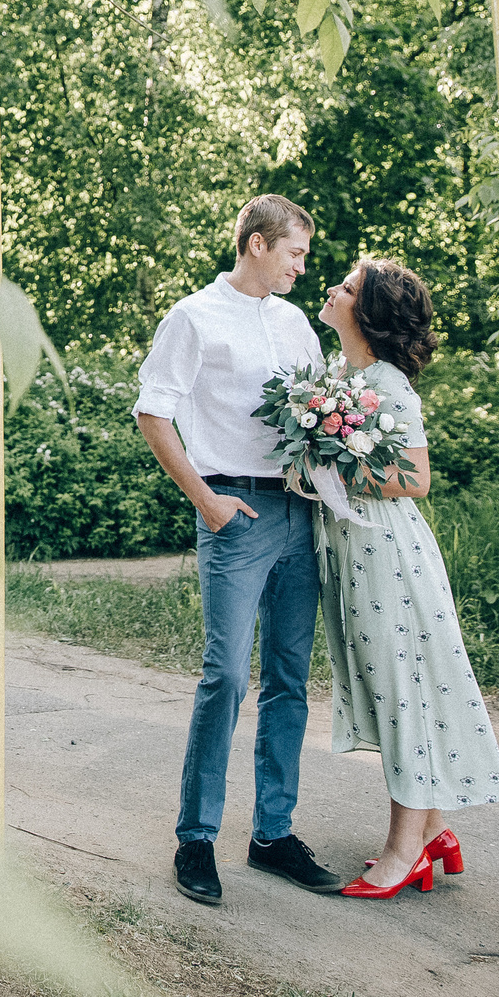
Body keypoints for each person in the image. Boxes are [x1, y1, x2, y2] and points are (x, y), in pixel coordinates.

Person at [136, 195, 345, 905]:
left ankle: (272, 835)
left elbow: (320, 414)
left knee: (289, 678)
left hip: (300, 511)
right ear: (258, 243)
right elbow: (153, 412)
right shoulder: (193, 317)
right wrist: (207, 500)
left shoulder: (294, 324)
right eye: (295, 252)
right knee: (225, 675)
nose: (302, 266)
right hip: (234, 513)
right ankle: (195, 838)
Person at [312, 259, 499, 901]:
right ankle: (433, 829)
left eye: (347, 287)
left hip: (387, 556)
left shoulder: (388, 386)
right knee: (390, 686)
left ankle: (405, 853)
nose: (332, 289)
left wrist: (335, 469)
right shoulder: (343, 376)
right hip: (354, 551)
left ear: (367, 313)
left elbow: (416, 479)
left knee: (403, 692)